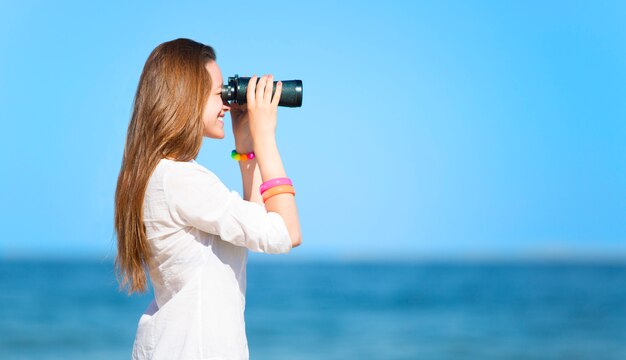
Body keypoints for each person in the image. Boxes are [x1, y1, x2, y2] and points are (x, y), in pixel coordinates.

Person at [113, 38, 302, 360]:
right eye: (219, 94)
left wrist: (246, 145)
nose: (228, 104)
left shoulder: (160, 174)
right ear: (186, 97)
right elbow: (285, 232)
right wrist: (266, 136)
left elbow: (256, 227)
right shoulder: (181, 179)